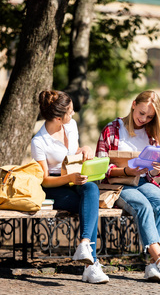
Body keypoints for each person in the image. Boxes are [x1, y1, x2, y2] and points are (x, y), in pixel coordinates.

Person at [96, 90, 160, 283]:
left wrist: (155, 169)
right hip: (118, 184)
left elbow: (153, 174)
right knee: (143, 206)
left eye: (149, 116)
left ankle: (152, 264)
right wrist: (126, 171)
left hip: (143, 181)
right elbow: (101, 167)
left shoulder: (152, 133)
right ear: (134, 104)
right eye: (141, 113)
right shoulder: (112, 129)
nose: (143, 119)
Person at [31, 90, 109, 284]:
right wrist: (68, 177)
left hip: (76, 177)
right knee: (89, 205)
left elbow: (74, 151)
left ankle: (84, 244)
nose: (73, 114)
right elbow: (45, 180)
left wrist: (85, 149)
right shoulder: (39, 141)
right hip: (55, 185)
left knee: (91, 190)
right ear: (58, 118)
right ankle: (92, 266)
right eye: (70, 111)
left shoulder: (71, 126)